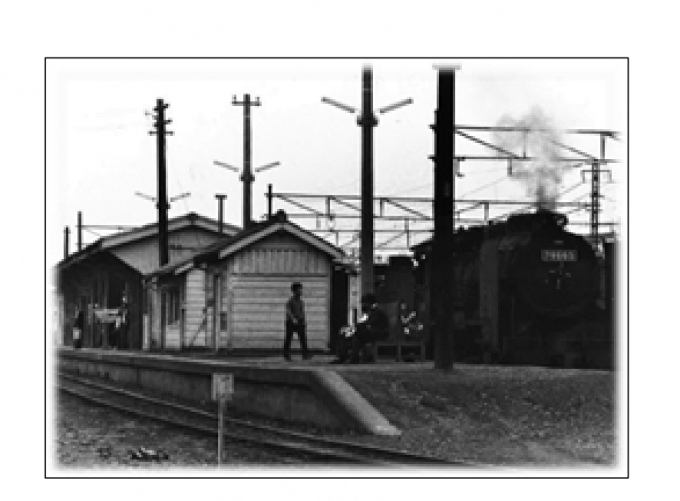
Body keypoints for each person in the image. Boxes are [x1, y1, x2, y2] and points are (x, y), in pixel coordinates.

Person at [332, 293, 389, 364]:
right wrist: (349, 329)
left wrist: (355, 328)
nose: (363, 305)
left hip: (379, 333)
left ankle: (354, 358)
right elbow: (361, 323)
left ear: (370, 303)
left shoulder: (378, 312)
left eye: (364, 303)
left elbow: (369, 323)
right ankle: (342, 357)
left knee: (357, 334)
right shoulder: (368, 313)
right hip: (369, 332)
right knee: (345, 333)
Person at [284, 282, 311, 361]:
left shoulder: (301, 302)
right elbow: (288, 311)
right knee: (288, 338)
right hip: (291, 322)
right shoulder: (290, 301)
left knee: (303, 338)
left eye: (301, 289)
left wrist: (303, 321)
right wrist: (293, 319)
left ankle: (305, 354)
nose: (301, 291)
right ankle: (286, 354)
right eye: (299, 289)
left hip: (300, 321)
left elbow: (302, 312)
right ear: (295, 291)